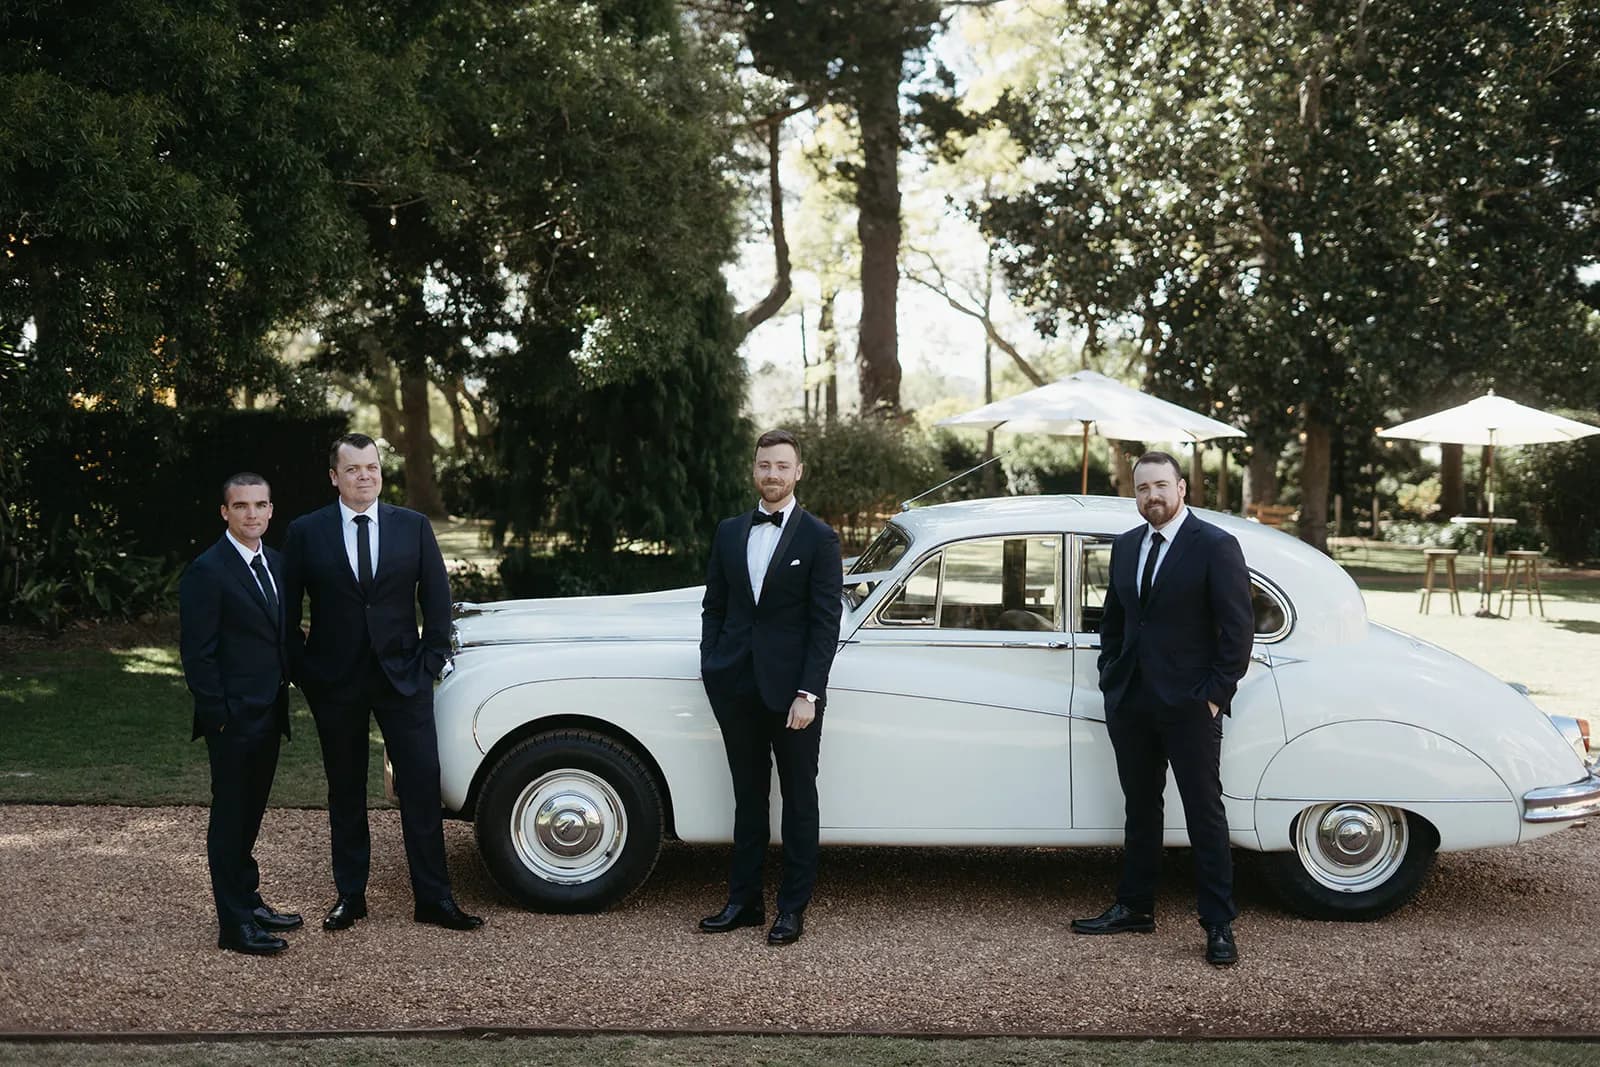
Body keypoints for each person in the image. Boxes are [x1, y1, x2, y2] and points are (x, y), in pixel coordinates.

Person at [281, 433, 483, 933]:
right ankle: (351, 896)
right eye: (353, 470)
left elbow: (437, 600)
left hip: (404, 679)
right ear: (335, 477)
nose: (364, 476)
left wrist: (430, 662)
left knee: (420, 788)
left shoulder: (411, 527)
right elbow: (285, 611)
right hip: (335, 682)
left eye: (371, 467)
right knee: (345, 791)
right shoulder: (307, 533)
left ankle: (434, 899)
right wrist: (304, 670)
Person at [1071, 451, 1253, 966]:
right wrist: (1112, 676)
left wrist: (1215, 695)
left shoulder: (1215, 546)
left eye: (1160, 485)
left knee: (1204, 813)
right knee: (1140, 807)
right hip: (1132, 700)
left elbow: (1238, 631)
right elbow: (1115, 620)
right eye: (1142, 488)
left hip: (1193, 705)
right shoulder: (1127, 546)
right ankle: (1134, 906)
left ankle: (1218, 924)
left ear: (1181, 489)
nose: (1152, 495)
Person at [698, 428, 843, 946]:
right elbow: (715, 605)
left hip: (793, 697)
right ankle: (743, 901)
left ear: (798, 472)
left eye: (782, 466)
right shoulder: (730, 530)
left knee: (800, 799)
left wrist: (809, 693)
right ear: (754, 469)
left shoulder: (820, 538)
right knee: (747, 797)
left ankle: (792, 908)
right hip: (735, 685)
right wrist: (711, 665)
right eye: (765, 465)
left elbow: (826, 624)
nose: (772, 474)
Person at [179, 472, 301, 955]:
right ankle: (234, 925)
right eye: (241, 506)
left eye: (260, 505)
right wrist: (220, 717)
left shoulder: (276, 563)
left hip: (270, 713)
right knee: (230, 819)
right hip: (232, 721)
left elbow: (280, 638)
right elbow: (198, 655)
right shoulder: (207, 571)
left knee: (250, 816)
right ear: (224, 512)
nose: (252, 514)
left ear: (271, 511)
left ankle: (248, 900)